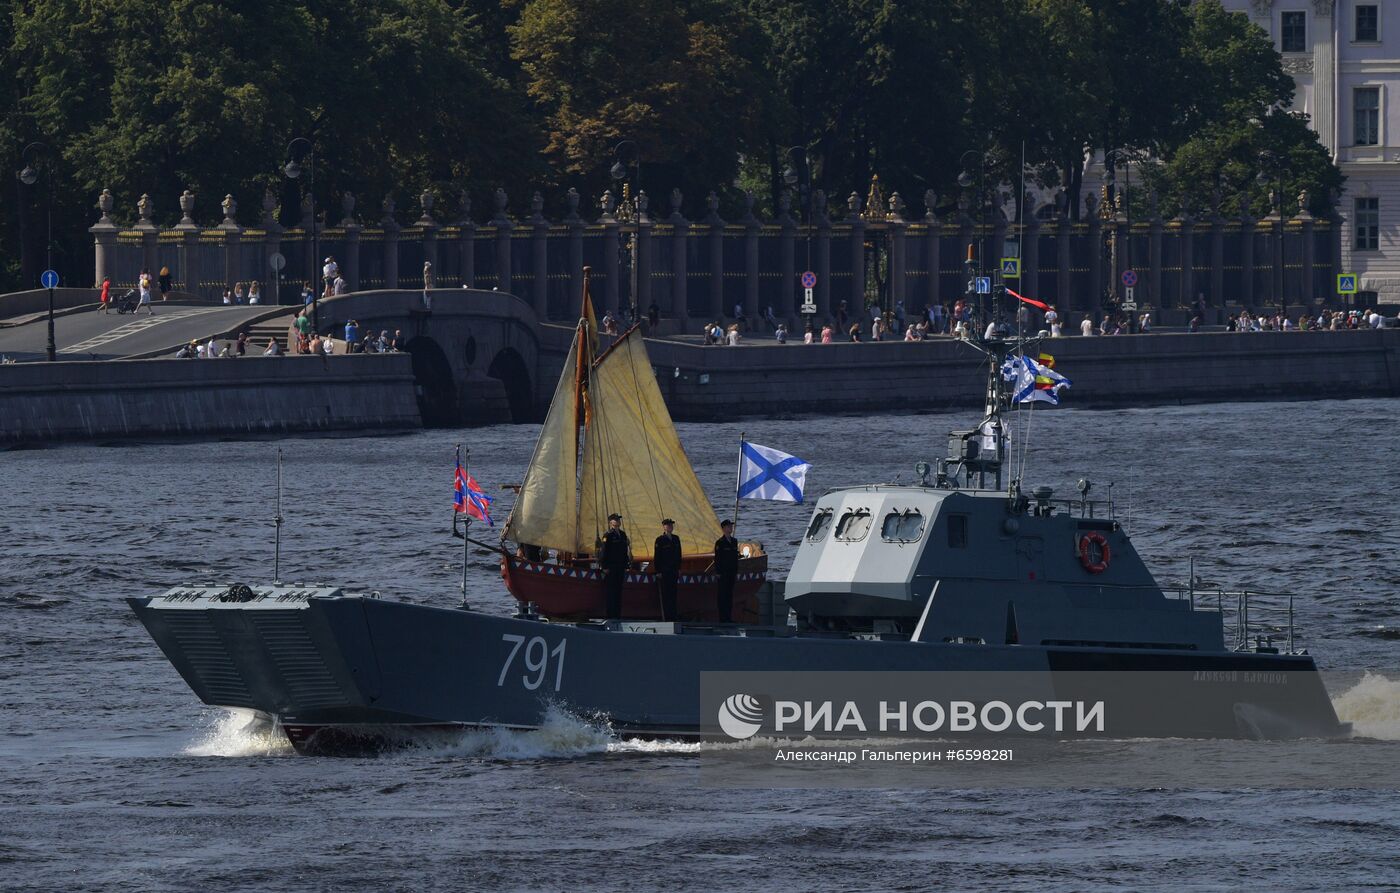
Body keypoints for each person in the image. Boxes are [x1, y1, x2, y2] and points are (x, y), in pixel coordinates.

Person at [600, 513, 631, 619]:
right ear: (610, 523)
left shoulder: (622, 535)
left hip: (620, 567)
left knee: (618, 591)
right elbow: (604, 552)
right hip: (611, 567)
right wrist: (604, 567)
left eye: (618, 519)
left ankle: (617, 615)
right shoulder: (607, 535)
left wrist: (626, 564)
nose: (618, 521)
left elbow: (624, 551)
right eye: (615, 520)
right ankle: (611, 615)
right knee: (611, 592)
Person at [653, 518, 682, 622]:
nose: (670, 527)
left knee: (673, 594)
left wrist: (679, 568)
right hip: (664, 571)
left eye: (671, 525)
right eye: (668, 525)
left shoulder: (676, 539)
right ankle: (667, 616)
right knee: (666, 594)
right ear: (664, 527)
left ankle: (674, 615)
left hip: (674, 571)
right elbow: (657, 557)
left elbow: (679, 555)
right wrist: (658, 571)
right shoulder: (660, 540)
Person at [714, 519, 739, 623]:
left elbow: (735, 558)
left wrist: (736, 571)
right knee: (722, 596)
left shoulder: (734, 541)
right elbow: (718, 559)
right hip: (723, 573)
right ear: (724, 528)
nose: (731, 528)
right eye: (729, 526)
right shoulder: (720, 543)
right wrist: (718, 572)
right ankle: (722, 618)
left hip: (731, 573)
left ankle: (728, 617)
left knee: (729, 595)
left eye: (731, 526)